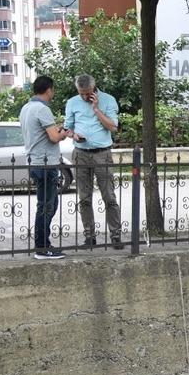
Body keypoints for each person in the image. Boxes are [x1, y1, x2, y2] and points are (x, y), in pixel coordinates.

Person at [64, 74, 123, 249]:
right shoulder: (72, 102)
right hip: (81, 153)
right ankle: (89, 236)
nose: (84, 96)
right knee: (84, 198)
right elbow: (67, 127)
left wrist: (96, 109)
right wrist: (73, 135)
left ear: (94, 88)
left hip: (102, 153)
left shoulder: (108, 100)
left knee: (109, 196)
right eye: (81, 93)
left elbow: (112, 126)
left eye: (87, 93)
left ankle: (115, 235)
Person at [20, 75, 68, 259]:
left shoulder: (26, 108)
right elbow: (54, 137)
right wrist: (64, 133)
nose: (53, 93)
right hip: (46, 163)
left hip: (34, 161)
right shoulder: (42, 109)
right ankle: (42, 247)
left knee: (47, 203)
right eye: (53, 90)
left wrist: (58, 130)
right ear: (49, 90)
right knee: (47, 205)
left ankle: (43, 244)